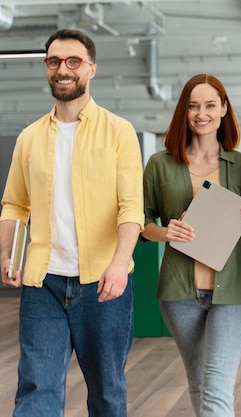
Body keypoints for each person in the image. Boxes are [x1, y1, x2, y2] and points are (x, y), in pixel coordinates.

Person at [0, 29, 144, 417]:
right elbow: (14, 203)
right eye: (54, 61)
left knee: (107, 392)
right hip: (42, 284)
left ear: (91, 69)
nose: (62, 69)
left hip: (103, 284)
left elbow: (131, 208)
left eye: (73, 61)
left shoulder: (119, 132)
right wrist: (7, 254)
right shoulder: (29, 138)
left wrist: (118, 263)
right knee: (36, 388)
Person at [141, 74, 241, 417]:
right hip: (180, 292)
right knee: (199, 383)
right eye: (193, 106)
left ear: (224, 109)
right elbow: (143, 224)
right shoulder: (160, 163)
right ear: (184, 112)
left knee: (215, 385)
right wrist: (166, 232)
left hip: (233, 290)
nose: (202, 113)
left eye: (210, 105)